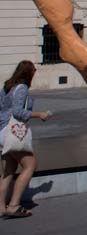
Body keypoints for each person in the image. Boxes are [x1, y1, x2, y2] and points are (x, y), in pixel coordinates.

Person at [0, 60, 50, 219]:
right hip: (13, 132)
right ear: (29, 73)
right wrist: (39, 114)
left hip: (3, 131)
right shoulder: (21, 88)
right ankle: (14, 205)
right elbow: (18, 112)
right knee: (30, 165)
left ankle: (1, 207)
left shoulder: (7, 87)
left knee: (8, 171)